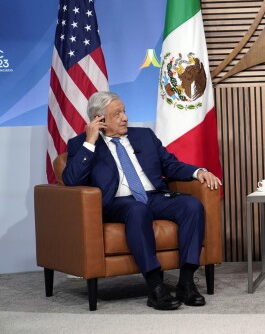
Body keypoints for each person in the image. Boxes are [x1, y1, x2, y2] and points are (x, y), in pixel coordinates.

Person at [62, 91, 221, 310]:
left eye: (124, 111)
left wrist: (198, 172)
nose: (125, 117)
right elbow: (70, 180)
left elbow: (170, 165)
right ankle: (155, 287)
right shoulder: (81, 145)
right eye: (117, 114)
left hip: (153, 196)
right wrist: (90, 142)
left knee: (191, 205)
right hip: (118, 203)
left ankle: (185, 282)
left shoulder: (144, 136)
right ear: (99, 120)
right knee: (137, 210)